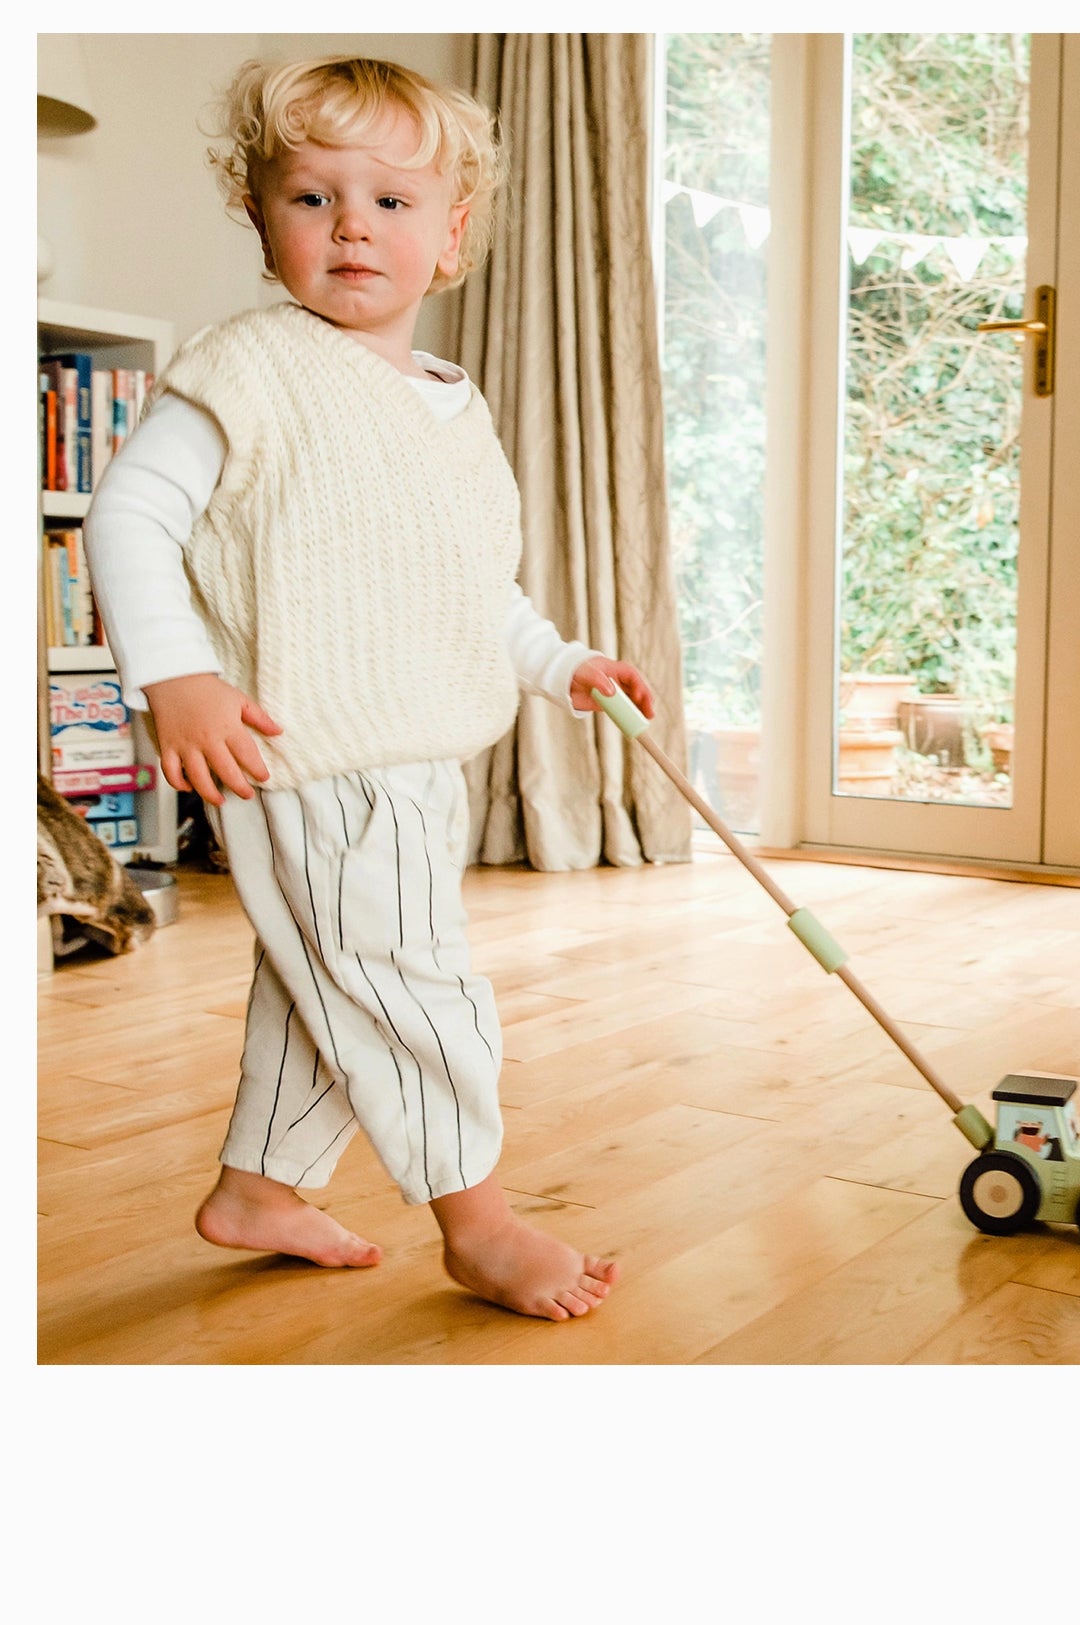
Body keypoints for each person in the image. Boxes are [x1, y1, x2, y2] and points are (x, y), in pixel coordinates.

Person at [84, 55, 656, 1322]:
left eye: (392, 201)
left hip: (417, 751)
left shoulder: (453, 404)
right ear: (257, 216)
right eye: (312, 197)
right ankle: (481, 1222)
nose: (352, 224)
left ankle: (260, 1186)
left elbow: (470, 586)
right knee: (408, 983)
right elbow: (126, 516)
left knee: (328, 970)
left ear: (451, 234)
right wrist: (172, 674)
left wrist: (561, 664)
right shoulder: (248, 369)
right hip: (313, 749)